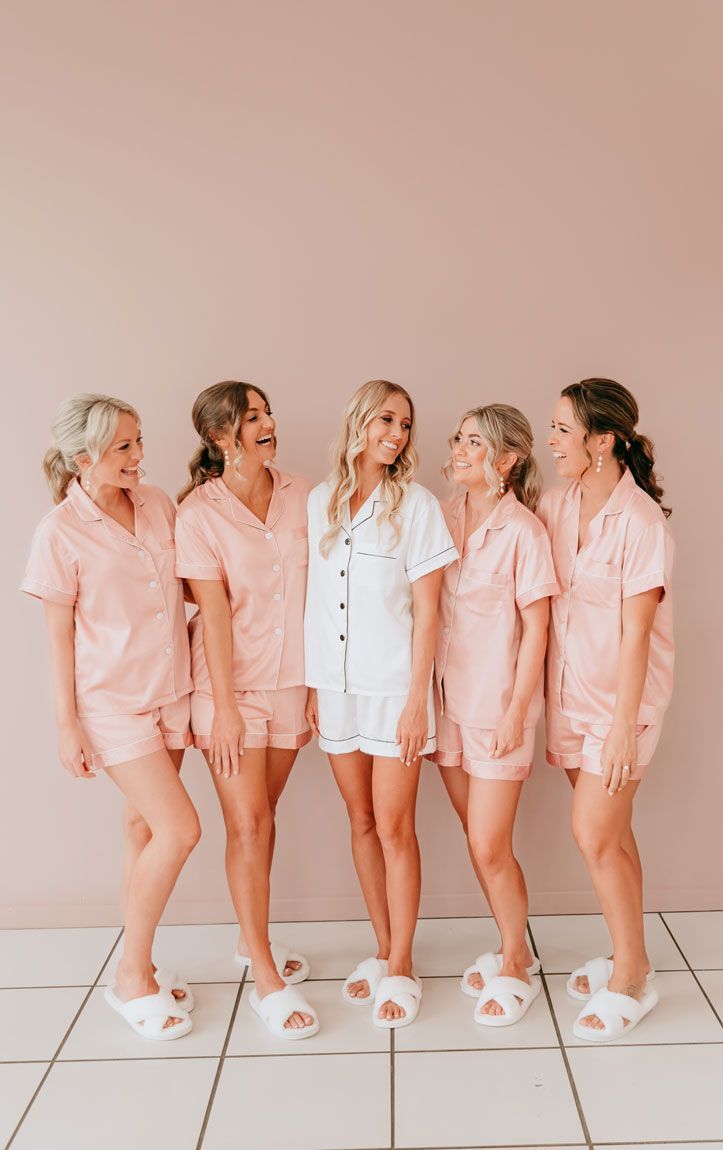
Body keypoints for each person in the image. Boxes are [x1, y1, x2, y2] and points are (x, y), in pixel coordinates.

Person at [22, 394, 199, 1040]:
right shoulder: (59, 532)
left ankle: (142, 961)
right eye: (123, 446)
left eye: (137, 440)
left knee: (142, 829)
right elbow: (59, 638)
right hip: (113, 704)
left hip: (172, 690)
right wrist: (67, 725)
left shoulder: (156, 503)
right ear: (82, 457)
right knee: (180, 830)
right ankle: (130, 976)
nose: (138, 455)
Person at [304, 379, 458, 1028]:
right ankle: (379, 946)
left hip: (394, 688)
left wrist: (417, 701)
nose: (395, 435)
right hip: (335, 690)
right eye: (385, 420)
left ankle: (401, 962)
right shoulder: (321, 502)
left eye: (405, 424)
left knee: (395, 828)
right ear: (359, 422)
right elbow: (315, 600)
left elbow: (428, 613)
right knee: (360, 820)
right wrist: (315, 686)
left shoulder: (417, 505)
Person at [175, 381, 318, 1040]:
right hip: (227, 691)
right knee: (250, 823)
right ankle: (263, 970)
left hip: (293, 684)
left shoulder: (305, 496)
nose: (268, 423)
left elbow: (324, 595)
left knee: (263, 818)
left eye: (267, 412)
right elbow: (214, 615)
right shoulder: (199, 513)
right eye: (251, 416)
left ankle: (248, 937)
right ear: (219, 436)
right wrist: (225, 709)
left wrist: (317, 683)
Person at [540, 377, 673, 1042]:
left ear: (601, 440)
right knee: (612, 837)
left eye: (562, 429)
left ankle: (630, 976)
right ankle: (629, 954)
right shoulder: (558, 507)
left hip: (622, 705)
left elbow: (637, 634)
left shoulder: (640, 522)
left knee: (592, 833)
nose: (551, 440)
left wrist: (622, 726)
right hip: (567, 696)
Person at [428, 404, 558, 1026]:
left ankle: (515, 960)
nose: (457, 450)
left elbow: (538, 629)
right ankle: (509, 942)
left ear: (505, 461)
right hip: (449, 707)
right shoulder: (442, 515)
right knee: (478, 844)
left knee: (490, 843)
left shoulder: (524, 532)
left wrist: (515, 714)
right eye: (458, 439)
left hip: (497, 710)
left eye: (473, 443)